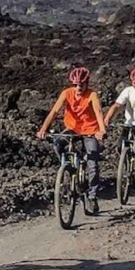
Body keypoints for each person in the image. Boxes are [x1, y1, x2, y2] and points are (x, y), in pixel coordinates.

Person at [36, 66, 108, 210]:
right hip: (73, 129)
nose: (78, 87)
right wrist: (43, 129)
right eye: (75, 85)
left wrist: (102, 130)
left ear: (87, 83)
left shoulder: (92, 94)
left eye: (81, 84)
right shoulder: (66, 93)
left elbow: (98, 111)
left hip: (90, 130)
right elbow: (54, 111)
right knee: (58, 144)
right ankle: (68, 168)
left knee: (93, 164)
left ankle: (92, 196)